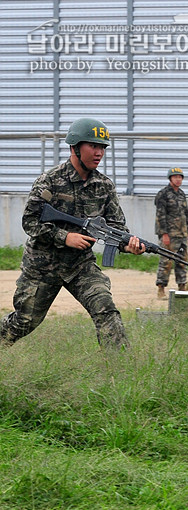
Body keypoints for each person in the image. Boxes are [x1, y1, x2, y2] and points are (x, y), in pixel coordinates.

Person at [0, 117, 145, 349]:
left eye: (102, 147)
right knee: (24, 322)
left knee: (105, 309)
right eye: (93, 146)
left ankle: (121, 371)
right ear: (75, 147)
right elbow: (30, 221)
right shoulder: (50, 181)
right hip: (42, 266)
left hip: (80, 265)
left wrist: (127, 244)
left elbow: (117, 227)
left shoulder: (104, 186)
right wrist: (64, 237)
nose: (99, 153)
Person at [154, 167, 188, 298]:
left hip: (182, 234)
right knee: (166, 262)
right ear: (170, 178)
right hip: (169, 235)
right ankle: (161, 289)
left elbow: (186, 214)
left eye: (180, 177)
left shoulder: (181, 194)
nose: (178, 179)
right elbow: (160, 215)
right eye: (175, 177)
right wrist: (164, 234)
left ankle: (182, 288)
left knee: (182, 262)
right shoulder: (163, 194)